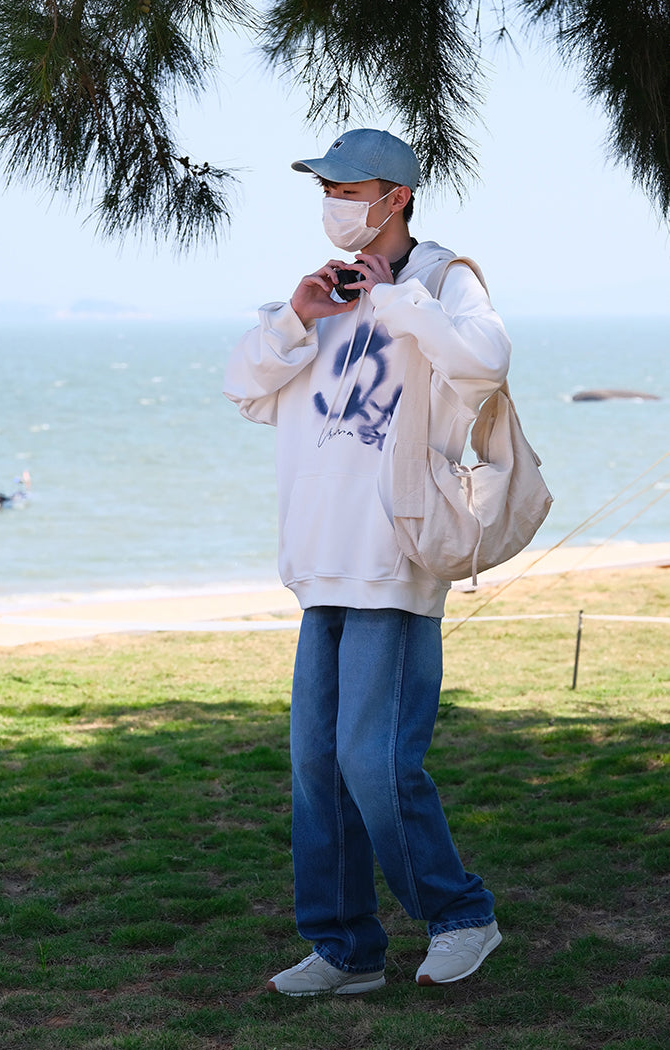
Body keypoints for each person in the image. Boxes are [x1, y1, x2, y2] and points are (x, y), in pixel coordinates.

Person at [224, 128, 511, 996]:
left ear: (398, 198)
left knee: (375, 760)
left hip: (395, 553)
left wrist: (397, 306)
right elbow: (246, 391)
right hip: (321, 562)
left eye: (352, 189)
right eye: (327, 186)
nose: (336, 202)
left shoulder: (442, 280)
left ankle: (462, 914)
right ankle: (347, 950)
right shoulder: (320, 294)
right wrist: (298, 315)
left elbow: (487, 363)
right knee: (317, 763)